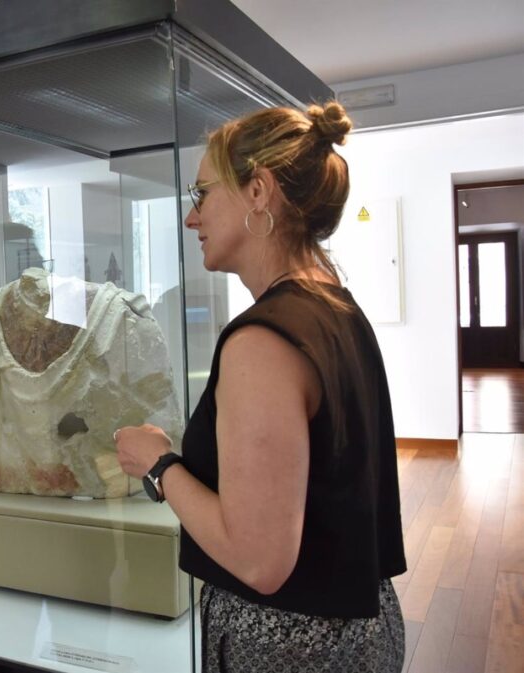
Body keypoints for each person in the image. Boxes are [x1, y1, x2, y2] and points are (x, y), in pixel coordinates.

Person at [114, 102, 406, 672]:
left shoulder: (261, 343)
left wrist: (158, 465)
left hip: (288, 646)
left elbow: (259, 561)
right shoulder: (334, 308)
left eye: (202, 195)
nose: (190, 219)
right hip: (353, 631)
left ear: (258, 192)